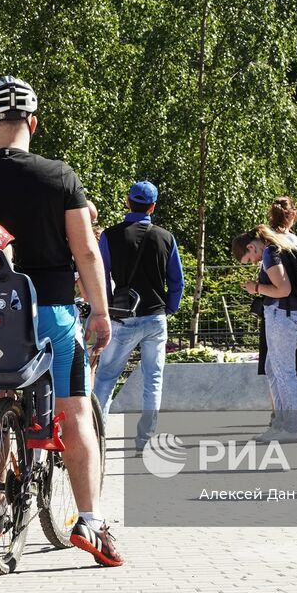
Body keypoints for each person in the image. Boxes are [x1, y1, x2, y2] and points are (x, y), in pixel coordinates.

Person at [0, 76, 120, 567]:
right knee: (76, 410)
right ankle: (91, 521)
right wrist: (100, 312)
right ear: (32, 124)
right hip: (52, 313)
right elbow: (84, 249)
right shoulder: (59, 177)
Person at [93, 181, 185, 453]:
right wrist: (169, 307)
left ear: (127, 202)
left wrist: (106, 307)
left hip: (122, 318)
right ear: (153, 206)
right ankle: (145, 438)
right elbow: (176, 280)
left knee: (106, 378)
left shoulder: (109, 236)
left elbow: (101, 275)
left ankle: (96, 436)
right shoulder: (166, 237)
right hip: (155, 317)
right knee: (153, 378)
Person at [232, 225, 297, 443]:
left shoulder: (270, 252)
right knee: (273, 367)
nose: (253, 263)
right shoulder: (282, 244)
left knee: (283, 372)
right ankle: (281, 423)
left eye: (250, 259)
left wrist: (256, 288)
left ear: (251, 246)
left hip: (284, 316)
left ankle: (290, 427)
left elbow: (283, 289)